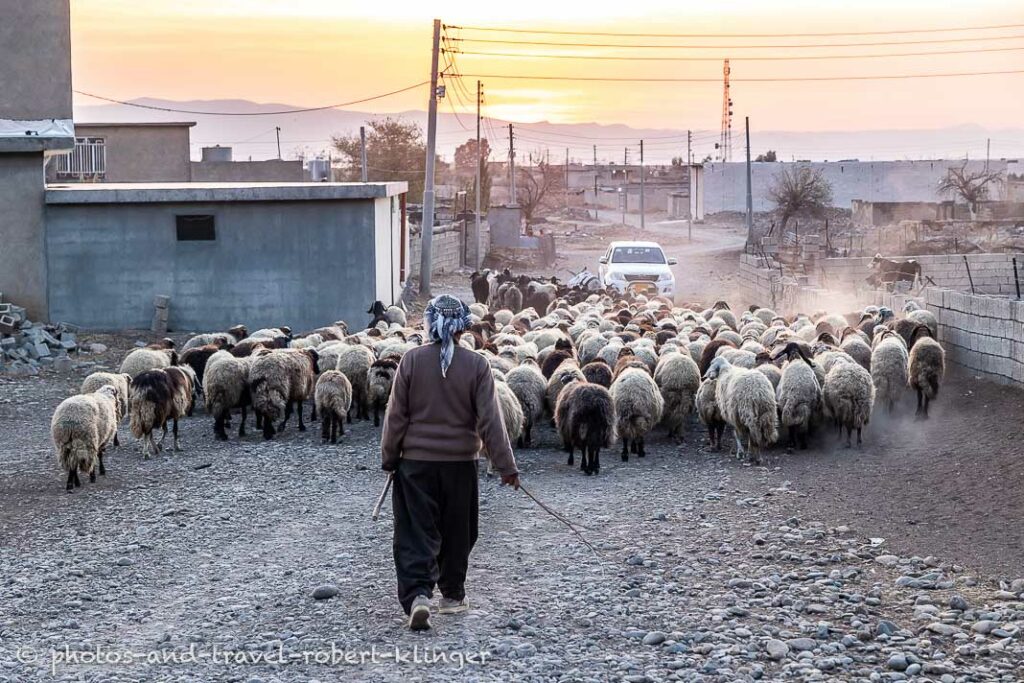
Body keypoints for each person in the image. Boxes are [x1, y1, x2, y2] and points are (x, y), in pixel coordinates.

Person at [381, 294, 519, 631]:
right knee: (459, 529)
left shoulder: (411, 361)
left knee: (415, 531)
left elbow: (396, 415)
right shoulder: (477, 365)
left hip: (415, 464)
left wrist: (389, 456)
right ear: (463, 327)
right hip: (460, 463)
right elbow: (491, 421)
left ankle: (417, 596)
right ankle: (453, 595)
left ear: (429, 323)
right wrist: (506, 467)